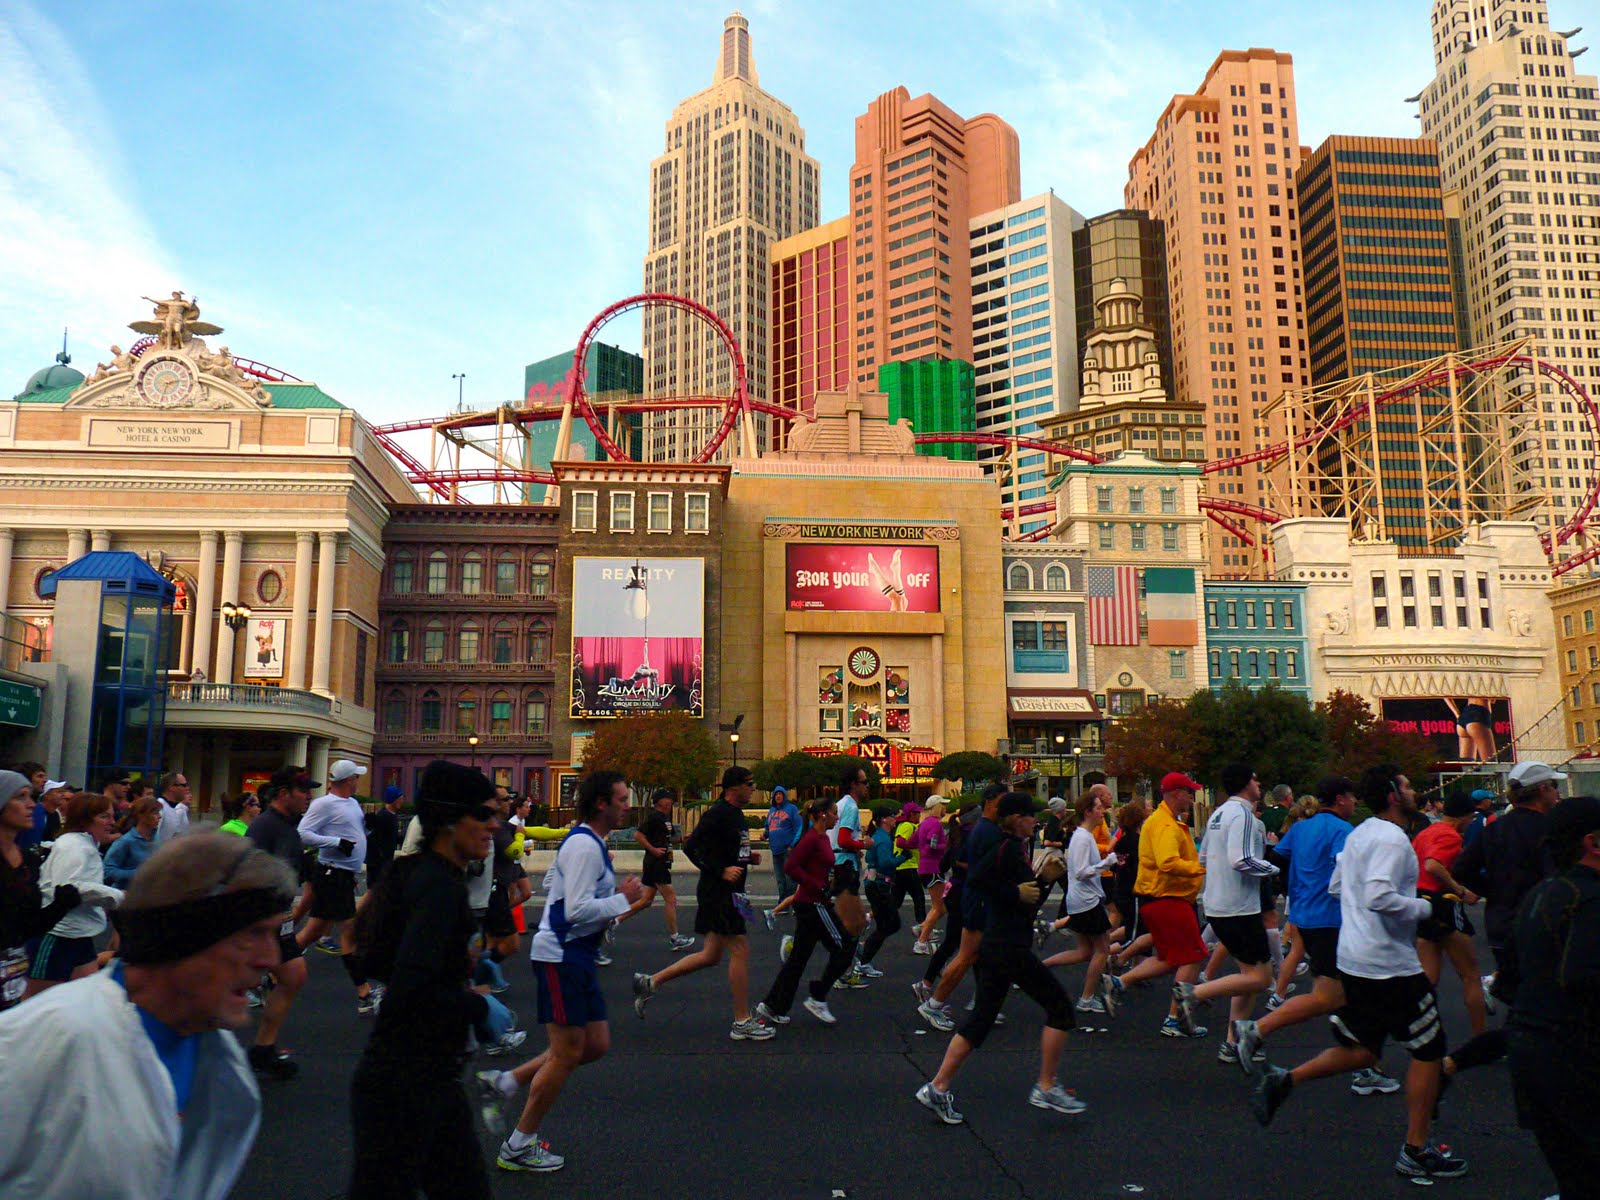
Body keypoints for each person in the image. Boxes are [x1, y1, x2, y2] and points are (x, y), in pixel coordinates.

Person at [0, 834, 294, 1200]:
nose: (270, 960)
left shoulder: (222, 1063)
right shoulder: (43, 1041)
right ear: (181, 933)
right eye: (253, 934)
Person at [1251, 767, 1466, 1182]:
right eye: (1405, 785)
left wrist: (1372, 909)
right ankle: (1416, 1150)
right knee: (1428, 1050)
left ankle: (1284, 1079)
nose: (1411, 790)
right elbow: (1379, 895)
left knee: (1365, 1050)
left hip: (1355, 959)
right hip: (1389, 965)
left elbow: (1337, 887)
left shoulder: (1361, 833)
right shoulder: (1389, 838)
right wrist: (1426, 908)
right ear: (1391, 794)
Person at [347, 761, 511, 1198]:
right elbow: (409, 990)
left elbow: (381, 957)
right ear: (451, 819)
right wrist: (477, 1006)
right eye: (484, 814)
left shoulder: (420, 874)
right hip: (406, 1084)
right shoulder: (438, 886)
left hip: (428, 1076)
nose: (494, 825)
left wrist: (468, 966)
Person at [475, 771, 643, 1174]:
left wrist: (604, 904)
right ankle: (518, 1144)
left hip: (577, 953)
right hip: (561, 955)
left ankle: (507, 1082)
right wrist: (621, 900)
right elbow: (574, 910)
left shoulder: (589, 843)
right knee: (567, 1053)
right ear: (601, 803)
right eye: (621, 798)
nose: (626, 804)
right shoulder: (585, 846)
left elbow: (555, 881)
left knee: (595, 1044)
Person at [914, 791, 1084, 1125]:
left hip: (999, 942)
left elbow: (1023, 895)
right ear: (1015, 818)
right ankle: (1046, 1086)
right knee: (1061, 1009)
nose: (1036, 820)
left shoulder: (1011, 847)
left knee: (981, 1019)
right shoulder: (1004, 847)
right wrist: (1021, 889)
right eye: (1030, 815)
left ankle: (937, 1086)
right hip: (1008, 945)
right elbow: (982, 881)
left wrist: (1042, 881)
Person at [1235, 776, 1399, 1096]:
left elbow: (1275, 861)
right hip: (1333, 920)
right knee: (1333, 996)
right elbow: (1345, 870)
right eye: (1351, 797)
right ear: (1340, 799)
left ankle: (1365, 1065)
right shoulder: (1343, 831)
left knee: (1347, 994)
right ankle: (1256, 1030)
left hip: (1304, 917)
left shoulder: (1300, 828)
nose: (1354, 804)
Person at [632, 766, 773, 1040]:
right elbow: (690, 846)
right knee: (740, 949)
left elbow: (729, 848)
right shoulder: (718, 813)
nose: (753, 788)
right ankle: (742, 1021)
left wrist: (746, 859)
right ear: (734, 788)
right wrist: (720, 870)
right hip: (719, 891)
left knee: (711, 955)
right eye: (749, 783)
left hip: (732, 891)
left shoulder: (734, 815)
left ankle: (651, 982)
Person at [1506, 795, 1600, 1200]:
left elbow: (1508, 982)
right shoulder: (1591, 899)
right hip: (1576, 1057)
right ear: (1593, 842)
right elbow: (1582, 978)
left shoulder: (1540, 894)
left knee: (1572, 1177)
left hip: (1529, 1054)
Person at [1177, 763, 1278, 1062]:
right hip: (1239, 907)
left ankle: (1233, 1042)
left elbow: (1204, 855)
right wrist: (1274, 869)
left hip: (1218, 904)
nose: (1258, 783)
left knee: (1247, 976)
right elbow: (1241, 859)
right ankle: (1192, 994)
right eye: (1255, 778)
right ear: (1246, 783)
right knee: (1260, 978)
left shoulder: (1219, 813)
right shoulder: (1244, 814)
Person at [1454, 759, 1561, 1005]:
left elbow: (1461, 867)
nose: (1558, 792)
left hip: (1501, 923)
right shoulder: (1552, 830)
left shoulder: (1495, 828)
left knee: (1520, 999)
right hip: (1543, 925)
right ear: (1542, 789)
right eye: (1554, 785)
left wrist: (1492, 890)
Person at [1114, 773, 1209, 1038]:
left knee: (1170, 958)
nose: (1191, 797)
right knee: (1193, 956)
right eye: (1189, 792)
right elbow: (1168, 862)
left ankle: (1119, 982)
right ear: (1176, 793)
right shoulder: (1166, 825)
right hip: (1168, 897)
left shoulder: (1161, 821)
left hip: (1159, 898)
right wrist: (1200, 867)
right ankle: (1175, 1019)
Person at [756, 797, 859, 1027]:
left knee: (798, 960)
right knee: (845, 945)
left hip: (811, 903)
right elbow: (791, 867)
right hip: (813, 904)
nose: (837, 817)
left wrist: (839, 870)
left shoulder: (821, 838)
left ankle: (773, 1005)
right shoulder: (811, 838)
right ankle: (818, 995)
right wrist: (817, 884)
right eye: (834, 813)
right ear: (822, 814)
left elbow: (819, 865)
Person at [244, 764, 318, 1079]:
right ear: (284, 793)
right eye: (303, 791)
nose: (309, 797)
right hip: (257, 921)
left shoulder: (289, 826)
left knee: (293, 975)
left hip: (280, 919)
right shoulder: (264, 826)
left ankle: (263, 1049)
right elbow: (244, 873)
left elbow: (291, 869)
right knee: (227, 988)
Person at [915, 786, 1003, 1031]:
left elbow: (943, 859)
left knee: (968, 949)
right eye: (941, 804)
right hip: (964, 893)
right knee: (964, 948)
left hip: (956, 889)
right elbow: (950, 858)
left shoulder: (958, 832)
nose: (944, 807)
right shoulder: (970, 833)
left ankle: (972, 999)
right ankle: (930, 990)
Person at [296, 760, 375, 1013]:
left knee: (313, 931)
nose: (357, 781)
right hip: (331, 873)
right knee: (348, 934)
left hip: (342, 875)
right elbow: (303, 833)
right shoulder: (324, 804)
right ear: (346, 780)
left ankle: (272, 970)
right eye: (355, 777)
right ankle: (364, 993)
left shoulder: (351, 803)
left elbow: (354, 832)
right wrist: (335, 842)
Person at [28, 791, 122, 996]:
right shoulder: (73, 846)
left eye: (112, 816)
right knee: (37, 1004)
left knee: (87, 998)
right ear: (84, 819)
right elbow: (69, 887)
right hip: (59, 935)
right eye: (104, 816)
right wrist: (119, 896)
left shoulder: (86, 844)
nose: (112, 822)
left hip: (80, 934)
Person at [0, 772, 79, 1012]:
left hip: (12, 979)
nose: (31, 804)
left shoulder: (27, 860)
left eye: (31, 797)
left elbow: (27, 927)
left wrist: (60, 906)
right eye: (20, 797)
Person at [1413, 791, 1488, 1036]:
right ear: (1462, 817)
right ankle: (1481, 1039)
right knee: (1470, 975)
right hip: (1443, 904)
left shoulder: (1425, 833)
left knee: (1427, 979)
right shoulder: (1450, 834)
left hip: (1422, 903)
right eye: (1471, 817)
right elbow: (1433, 865)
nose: (1472, 822)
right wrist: (1461, 890)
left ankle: (1418, 1030)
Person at [1042, 791, 1121, 1015]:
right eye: (1098, 808)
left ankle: (1039, 967)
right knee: (1102, 948)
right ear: (1088, 812)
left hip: (1082, 900)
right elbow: (1081, 872)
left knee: (1085, 951)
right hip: (1086, 901)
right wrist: (1107, 863)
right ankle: (1086, 998)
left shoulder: (1082, 836)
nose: (1102, 811)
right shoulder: (1083, 838)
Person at [619, 787, 695, 950]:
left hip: (661, 862)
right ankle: (675, 937)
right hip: (655, 863)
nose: (671, 802)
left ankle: (616, 920)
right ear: (660, 802)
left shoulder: (665, 819)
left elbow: (670, 839)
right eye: (668, 799)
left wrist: (683, 839)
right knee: (670, 897)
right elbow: (638, 835)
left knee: (646, 900)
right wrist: (653, 849)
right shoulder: (654, 817)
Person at [855, 806, 904, 976]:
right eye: (892, 816)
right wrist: (902, 858)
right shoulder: (883, 839)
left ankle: (864, 955)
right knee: (890, 924)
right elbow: (885, 863)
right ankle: (863, 959)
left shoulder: (879, 837)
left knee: (886, 924)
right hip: (879, 886)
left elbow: (870, 858)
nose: (895, 819)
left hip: (874, 884)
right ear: (884, 819)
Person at [911, 797, 950, 953]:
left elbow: (911, 842)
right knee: (939, 907)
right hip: (934, 868)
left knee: (941, 906)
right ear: (937, 807)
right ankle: (921, 941)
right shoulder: (935, 824)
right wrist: (946, 846)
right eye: (944, 806)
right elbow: (932, 844)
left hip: (924, 868)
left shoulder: (923, 824)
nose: (945, 809)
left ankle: (923, 929)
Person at [104, 796, 162, 887]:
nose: (160, 816)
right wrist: (139, 873)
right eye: (155, 813)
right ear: (141, 815)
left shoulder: (157, 838)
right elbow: (108, 871)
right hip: (127, 894)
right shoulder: (126, 841)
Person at [764, 784, 801, 919]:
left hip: (788, 850)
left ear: (784, 795)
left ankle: (793, 903)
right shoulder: (771, 811)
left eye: (780, 794)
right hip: (776, 850)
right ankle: (783, 903)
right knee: (780, 879)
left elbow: (799, 828)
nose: (778, 796)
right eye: (776, 794)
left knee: (790, 878)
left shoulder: (792, 809)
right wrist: (765, 835)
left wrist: (793, 845)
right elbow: (768, 828)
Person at [892, 801, 927, 927]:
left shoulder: (903, 825)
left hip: (900, 868)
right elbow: (900, 842)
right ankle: (922, 926)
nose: (920, 815)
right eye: (918, 813)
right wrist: (914, 846)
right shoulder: (908, 825)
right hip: (908, 867)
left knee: (896, 901)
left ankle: (875, 918)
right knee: (919, 898)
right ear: (912, 814)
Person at [364, 785, 404, 892]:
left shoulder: (392, 815)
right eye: (400, 799)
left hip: (385, 860)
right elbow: (374, 839)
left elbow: (392, 837)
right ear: (394, 800)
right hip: (378, 862)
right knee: (374, 891)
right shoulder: (383, 816)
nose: (402, 801)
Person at [16, 775, 67, 851]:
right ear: (47, 795)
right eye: (59, 792)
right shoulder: (34, 812)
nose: (63, 795)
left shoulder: (56, 814)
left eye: (63, 791)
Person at [154, 771, 193, 843]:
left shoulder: (174, 808)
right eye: (184, 785)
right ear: (171, 787)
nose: (187, 788)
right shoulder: (159, 807)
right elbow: (154, 838)